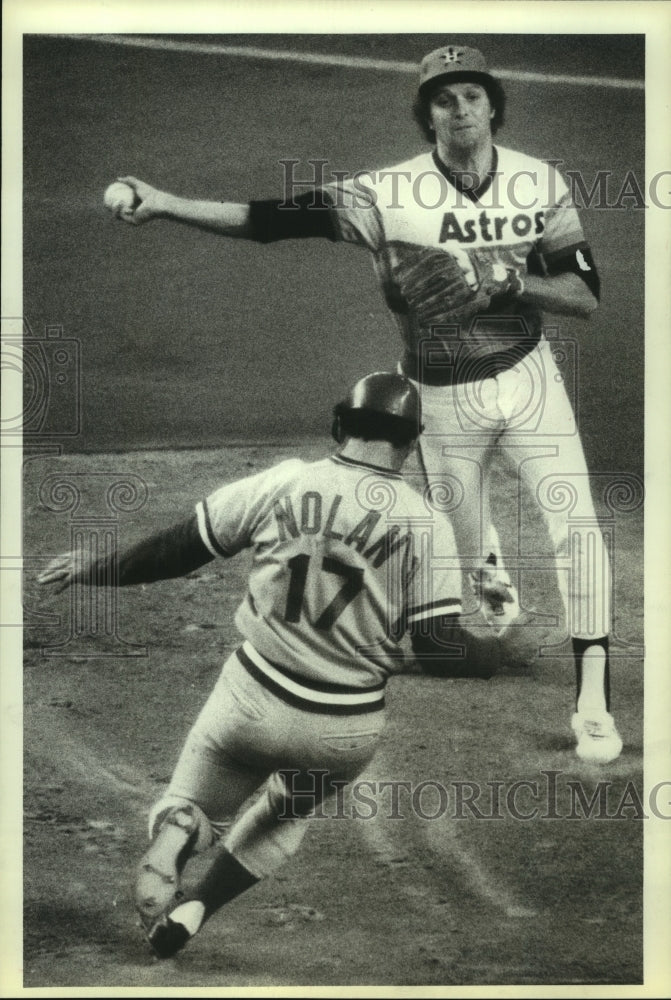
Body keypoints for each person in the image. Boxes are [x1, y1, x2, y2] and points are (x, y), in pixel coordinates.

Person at [108, 43, 621, 764]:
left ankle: (590, 701)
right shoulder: (385, 194)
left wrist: (512, 284)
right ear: (427, 115)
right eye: (443, 99)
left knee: (576, 528)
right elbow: (269, 220)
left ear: (493, 106)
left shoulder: (539, 182)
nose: (460, 108)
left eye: (472, 95)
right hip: (439, 397)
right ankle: (489, 578)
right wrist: (165, 204)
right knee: (465, 542)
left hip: (530, 382)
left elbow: (585, 297)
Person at [39, 372, 517, 960]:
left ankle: (182, 830)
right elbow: (441, 647)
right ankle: (197, 911)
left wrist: (97, 566)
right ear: (412, 442)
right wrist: (499, 649)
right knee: (283, 817)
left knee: (193, 798)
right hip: (343, 732)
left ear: (340, 425)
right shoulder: (426, 524)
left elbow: (179, 549)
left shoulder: (288, 482)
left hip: (249, 702)